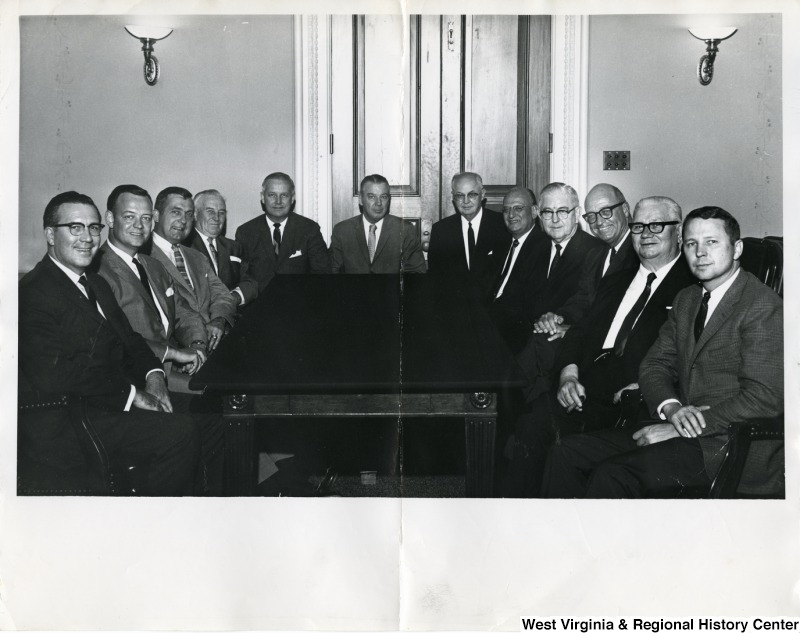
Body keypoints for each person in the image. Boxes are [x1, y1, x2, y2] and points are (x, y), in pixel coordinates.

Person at [541, 206, 784, 498]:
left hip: (729, 446)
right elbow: (653, 366)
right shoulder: (688, 299)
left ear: (737, 248)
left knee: (614, 475)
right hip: (678, 427)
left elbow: (764, 399)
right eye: (692, 243)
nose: (700, 252)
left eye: (712, 242)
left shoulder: (762, 306)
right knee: (566, 453)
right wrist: (671, 409)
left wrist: (683, 427)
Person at [503, 196, 694, 496]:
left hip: (634, 399)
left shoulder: (691, 286)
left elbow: (691, 359)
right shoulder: (618, 278)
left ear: (679, 232)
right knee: (531, 424)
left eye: (657, 226)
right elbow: (581, 330)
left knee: (565, 452)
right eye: (639, 226)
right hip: (586, 386)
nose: (646, 234)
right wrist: (568, 374)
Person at [18, 191, 200, 495]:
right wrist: (133, 395)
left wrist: (153, 377)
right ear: (50, 234)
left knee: (208, 414)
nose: (87, 237)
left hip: (106, 403)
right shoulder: (34, 292)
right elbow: (56, 375)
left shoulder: (95, 283)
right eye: (75, 227)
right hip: (70, 420)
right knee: (180, 432)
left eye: (93, 227)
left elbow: (130, 341)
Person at [512, 182, 605, 401]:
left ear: (577, 214)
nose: (554, 220)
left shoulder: (595, 251)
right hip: (531, 334)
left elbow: (587, 300)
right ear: (538, 215)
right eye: (548, 212)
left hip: (564, 341)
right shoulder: (536, 247)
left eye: (562, 211)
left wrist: (557, 317)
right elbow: (518, 297)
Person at [532, 183, 638, 339]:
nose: (599, 222)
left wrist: (576, 331)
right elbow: (583, 299)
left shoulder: (639, 252)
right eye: (592, 216)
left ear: (625, 209)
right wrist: (559, 317)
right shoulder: (598, 254)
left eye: (606, 212)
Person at [143, 187, 237, 354]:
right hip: (174, 351)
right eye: (176, 212)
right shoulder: (143, 256)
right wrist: (198, 340)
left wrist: (219, 320)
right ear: (156, 215)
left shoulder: (197, 257)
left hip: (214, 344)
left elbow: (222, 295)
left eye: (188, 214)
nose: (183, 220)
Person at [235, 172, 330, 291]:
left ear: (292, 198)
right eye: (272, 195)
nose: (278, 201)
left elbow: (322, 275)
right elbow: (241, 278)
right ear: (263, 198)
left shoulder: (310, 229)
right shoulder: (245, 232)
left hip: (299, 303)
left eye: (284, 195)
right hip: (258, 305)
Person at [427, 171, 510, 298]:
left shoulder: (502, 226)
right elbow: (435, 279)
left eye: (472, 195)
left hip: (493, 309)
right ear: (453, 197)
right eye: (460, 195)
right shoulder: (441, 230)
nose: (466, 201)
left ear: (483, 194)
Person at [329, 174, 427, 274]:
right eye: (371, 197)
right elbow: (333, 273)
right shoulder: (342, 231)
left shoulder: (405, 229)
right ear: (360, 200)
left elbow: (417, 273)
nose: (378, 203)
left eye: (383, 197)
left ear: (389, 200)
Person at [487, 186, 545, 354]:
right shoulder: (501, 244)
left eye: (518, 208)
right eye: (506, 210)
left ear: (534, 211)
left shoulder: (544, 247)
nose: (511, 215)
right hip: (491, 324)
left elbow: (526, 306)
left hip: (515, 334)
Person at [185, 189, 257, 307]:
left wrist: (234, 298)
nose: (217, 218)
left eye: (221, 212)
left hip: (232, 316)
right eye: (210, 211)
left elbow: (251, 282)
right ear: (195, 214)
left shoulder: (233, 247)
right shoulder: (185, 246)